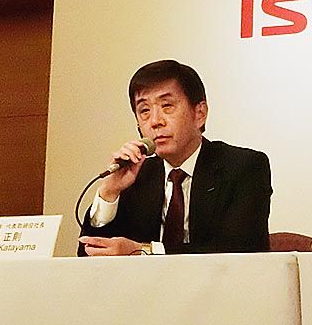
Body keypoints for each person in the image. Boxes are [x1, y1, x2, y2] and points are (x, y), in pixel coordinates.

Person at [78, 59, 271, 256]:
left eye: (167, 106)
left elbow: (240, 249)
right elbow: (88, 254)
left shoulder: (244, 167)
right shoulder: (135, 175)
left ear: (200, 113)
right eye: (144, 111)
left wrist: (144, 250)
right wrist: (110, 192)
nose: (155, 121)